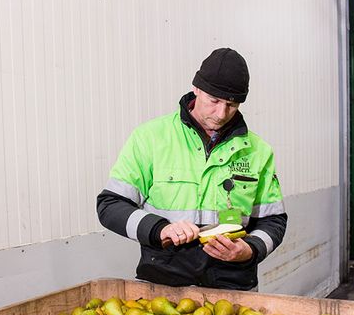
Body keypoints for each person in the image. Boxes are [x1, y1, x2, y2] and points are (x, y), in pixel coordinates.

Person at [97, 48, 287, 291]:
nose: (221, 113)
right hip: (163, 284)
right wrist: (159, 229)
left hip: (233, 287)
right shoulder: (151, 138)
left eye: (231, 104)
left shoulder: (258, 151)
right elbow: (110, 205)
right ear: (196, 89)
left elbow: (274, 220)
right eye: (214, 101)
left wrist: (250, 250)